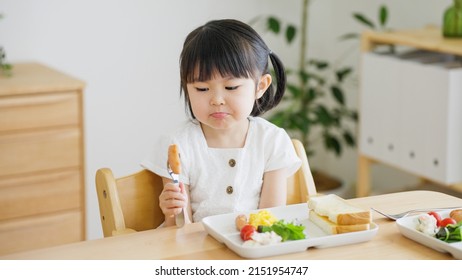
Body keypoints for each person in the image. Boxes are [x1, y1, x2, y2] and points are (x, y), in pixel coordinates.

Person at [141, 19, 302, 227]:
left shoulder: (271, 140)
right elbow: (180, 229)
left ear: (260, 86)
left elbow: (270, 219)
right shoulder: (178, 143)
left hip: (255, 246)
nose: (217, 100)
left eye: (231, 87)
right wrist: (173, 212)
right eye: (201, 89)